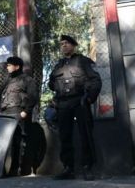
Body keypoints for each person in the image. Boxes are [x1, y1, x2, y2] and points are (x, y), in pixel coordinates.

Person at [49, 35, 102, 181]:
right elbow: (51, 83)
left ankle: (88, 167)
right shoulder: (58, 65)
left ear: (73, 45)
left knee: (85, 134)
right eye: (61, 44)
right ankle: (68, 168)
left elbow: (96, 80)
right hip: (63, 104)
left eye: (66, 43)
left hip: (80, 101)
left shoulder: (84, 61)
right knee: (64, 136)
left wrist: (90, 98)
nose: (63, 46)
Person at [0, 56, 39, 176]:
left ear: (17, 66)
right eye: (8, 65)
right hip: (6, 113)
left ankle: (19, 169)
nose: (7, 67)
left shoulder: (27, 79)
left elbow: (33, 96)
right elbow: (0, 97)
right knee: (5, 141)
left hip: (19, 113)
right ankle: (2, 168)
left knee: (20, 141)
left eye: (10, 65)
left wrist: (26, 111)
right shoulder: (7, 80)